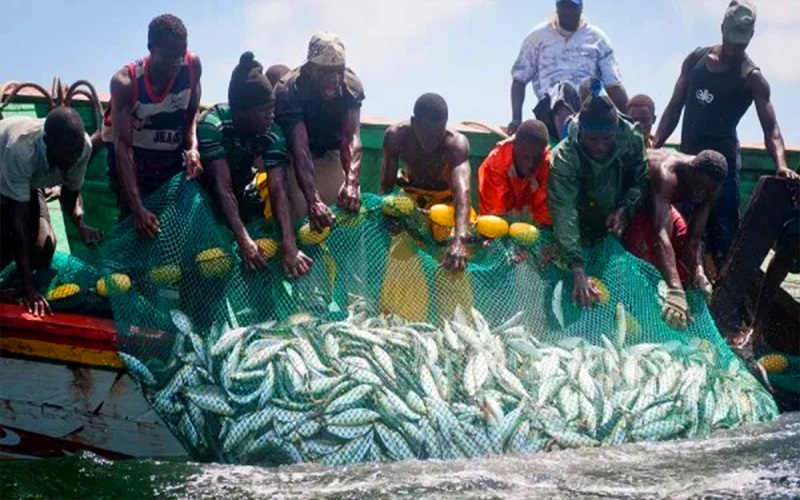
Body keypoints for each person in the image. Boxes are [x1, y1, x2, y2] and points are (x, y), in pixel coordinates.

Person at [653, 0, 799, 271]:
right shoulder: (695, 60)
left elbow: (772, 130)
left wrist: (781, 165)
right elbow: (674, 108)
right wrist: (654, 144)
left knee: (725, 237)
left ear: (750, 37)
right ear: (722, 27)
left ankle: (725, 300)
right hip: (688, 162)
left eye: (741, 42)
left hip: (725, 170)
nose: (735, 47)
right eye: (731, 39)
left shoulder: (751, 77)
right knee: (679, 229)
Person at [197, 52, 312, 278]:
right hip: (204, 196)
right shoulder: (213, 124)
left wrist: (289, 244)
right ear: (242, 113)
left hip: (241, 191)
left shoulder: (271, 131)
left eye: (272, 109)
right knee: (208, 263)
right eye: (264, 111)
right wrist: (243, 239)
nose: (272, 116)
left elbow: (277, 189)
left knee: (261, 247)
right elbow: (223, 187)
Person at [548, 80, 647, 308]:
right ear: (581, 130)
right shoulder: (564, 156)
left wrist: (625, 209)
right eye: (592, 139)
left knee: (617, 302)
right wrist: (577, 267)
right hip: (576, 229)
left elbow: (640, 181)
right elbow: (564, 210)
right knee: (568, 302)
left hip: (614, 229)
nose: (600, 146)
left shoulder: (631, 138)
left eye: (606, 139)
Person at [103, 13, 203, 239]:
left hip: (167, 153)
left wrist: (192, 149)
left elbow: (190, 118)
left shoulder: (192, 66)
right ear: (151, 48)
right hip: (134, 159)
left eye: (181, 54)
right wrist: (137, 208)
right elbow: (123, 148)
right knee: (136, 224)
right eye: (169, 56)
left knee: (173, 223)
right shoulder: (126, 83)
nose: (177, 63)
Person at [0, 108, 103, 316]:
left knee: (44, 243)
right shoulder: (21, 150)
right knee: (7, 240)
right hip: (4, 170)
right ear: (48, 143)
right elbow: (17, 224)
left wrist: (81, 226)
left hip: (31, 182)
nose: (75, 157)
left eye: (77, 150)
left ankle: (22, 282)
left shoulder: (82, 148)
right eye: (68, 151)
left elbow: (69, 196)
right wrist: (31, 290)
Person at [623, 149, 728, 329]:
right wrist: (675, 290)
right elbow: (661, 233)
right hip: (638, 203)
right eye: (698, 186)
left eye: (706, 190)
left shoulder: (712, 187)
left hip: (665, 207)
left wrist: (699, 272)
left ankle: (676, 308)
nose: (700, 194)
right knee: (644, 254)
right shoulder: (667, 173)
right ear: (689, 171)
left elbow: (693, 240)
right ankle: (637, 308)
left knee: (682, 256)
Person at [274, 32, 364, 229]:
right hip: (295, 157)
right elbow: (301, 150)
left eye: (338, 71)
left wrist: (352, 183)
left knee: (349, 211)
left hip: (331, 153)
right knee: (303, 210)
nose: (333, 79)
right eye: (325, 72)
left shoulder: (350, 86)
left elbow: (351, 138)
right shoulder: (289, 90)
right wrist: (313, 201)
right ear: (309, 69)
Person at [380, 93, 472, 271]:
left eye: (437, 136)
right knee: (401, 261)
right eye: (427, 136)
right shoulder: (396, 136)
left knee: (453, 262)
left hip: (445, 208)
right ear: (414, 123)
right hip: (410, 204)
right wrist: (389, 217)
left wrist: (459, 240)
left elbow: (462, 195)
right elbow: (385, 188)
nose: (432, 143)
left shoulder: (456, 144)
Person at [509, 0, 628, 136]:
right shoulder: (537, 37)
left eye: (572, 6)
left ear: (581, 8)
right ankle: (568, 142)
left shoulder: (597, 38)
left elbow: (614, 85)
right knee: (563, 90)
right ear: (557, 8)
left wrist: (632, 121)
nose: (567, 11)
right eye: (563, 6)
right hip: (548, 111)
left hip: (588, 109)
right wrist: (516, 120)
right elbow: (519, 80)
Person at [478, 119, 551, 226]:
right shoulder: (496, 164)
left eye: (536, 159)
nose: (531, 164)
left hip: (531, 230)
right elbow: (494, 215)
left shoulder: (547, 164)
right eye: (525, 157)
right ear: (514, 146)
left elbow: (545, 216)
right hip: (501, 222)